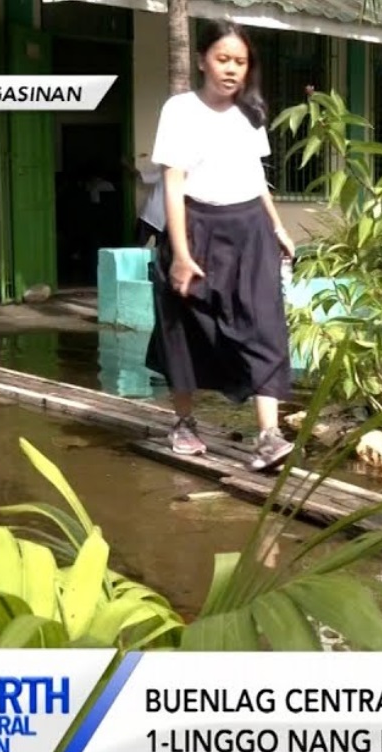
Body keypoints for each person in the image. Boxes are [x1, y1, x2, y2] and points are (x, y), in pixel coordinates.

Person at [147, 19, 298, 471]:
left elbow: (256, 178)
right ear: (202, 60)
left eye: (240, 61)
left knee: (265, 323)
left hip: (249, 227)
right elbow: (173, 183)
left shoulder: (250, 113)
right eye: (222, 59)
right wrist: (182, 254)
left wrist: (278, 227)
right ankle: (185, 423)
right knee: (186, 325)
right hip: (195, 227)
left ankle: (268, 436)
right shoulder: (180, 110)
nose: (231, 69)